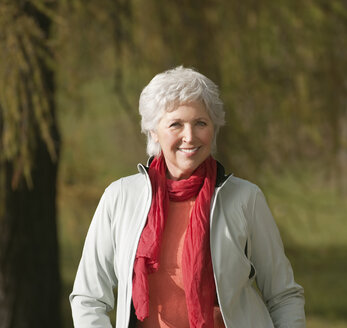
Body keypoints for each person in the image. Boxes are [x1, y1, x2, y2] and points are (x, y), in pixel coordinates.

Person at [70, 66, 305, 328]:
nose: (189, 136)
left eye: (200, 123)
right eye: (176, 124)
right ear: (153, 131)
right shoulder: (119, 197)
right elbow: (89, 299)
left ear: (213, 128)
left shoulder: (246, 198)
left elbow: (283, 295)